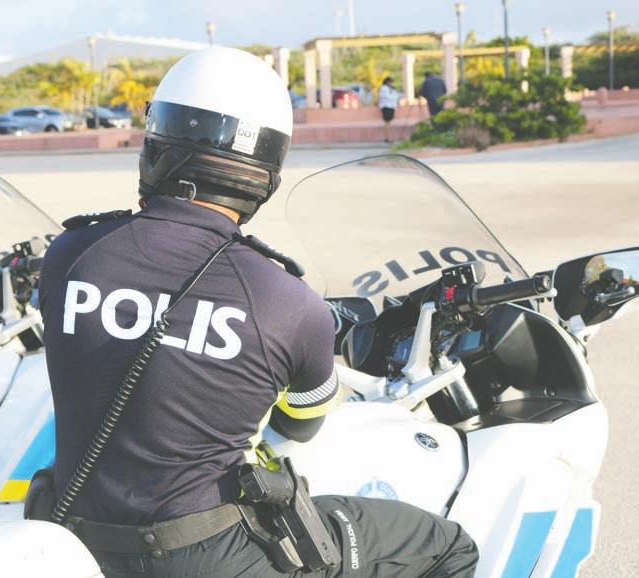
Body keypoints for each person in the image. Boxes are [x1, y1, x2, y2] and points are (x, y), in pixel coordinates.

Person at [38, 47, 478, 577]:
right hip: (210, 556)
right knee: (449, 546)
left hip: (74, 540)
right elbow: (301, 423)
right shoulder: (288, 303)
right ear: (266, 171)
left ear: (158, 144)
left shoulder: (70, 255)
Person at [378, 77, 402, 143]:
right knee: (387, 123)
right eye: (390, 82)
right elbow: (389, 97)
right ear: (387, 82)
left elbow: (396, 96)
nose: (391, 83)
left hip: (391, 107)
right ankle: (387, 138)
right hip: (386, 107)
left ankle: (388, 137)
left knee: (388, 123)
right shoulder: (384, 89)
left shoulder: (390, 89)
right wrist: (395, 96)